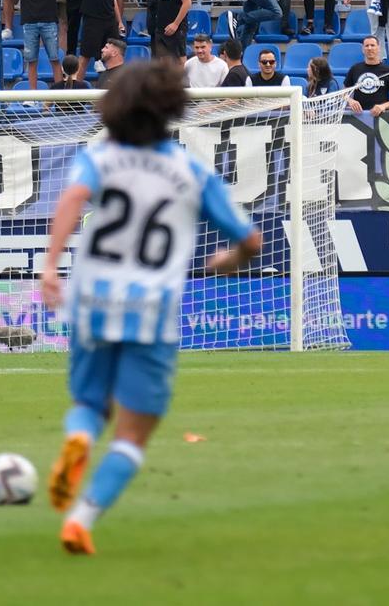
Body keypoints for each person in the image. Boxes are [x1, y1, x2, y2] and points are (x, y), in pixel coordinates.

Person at [39, 60, 262, 554]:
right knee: (135, 431)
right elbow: (251, 239)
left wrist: (51, 265)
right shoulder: (190, 171)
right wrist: (229, 259)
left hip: (92, 296)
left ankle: (78, 439)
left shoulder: (101, 158)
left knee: (89, 404)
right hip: (151, 309)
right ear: (173, 107)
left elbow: (72, 200)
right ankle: (82, 517)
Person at [342, 35, 389, 114]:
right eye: (367, 46)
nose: (369, 48)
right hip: (359, 116)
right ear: (363, 49)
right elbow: (343, 93)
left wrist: (383, 106)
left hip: (381, 116)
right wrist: (350, 100)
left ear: (378, 48)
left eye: (372, 45)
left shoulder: (388, 71)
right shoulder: (355, 69)